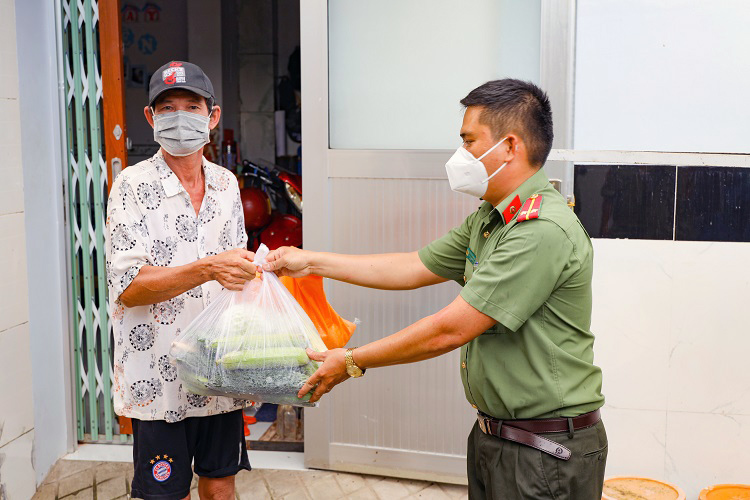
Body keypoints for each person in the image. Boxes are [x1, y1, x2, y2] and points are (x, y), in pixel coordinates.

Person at [264, 79, 608, 499]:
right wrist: (309, 261)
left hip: (544, 452)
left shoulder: (538, 231)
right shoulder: (491, 218)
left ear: (510, 146)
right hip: (497, 438)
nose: (460, 154)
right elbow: (413, 265)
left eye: (469, 140)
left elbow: (449, 329)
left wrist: (350, 361)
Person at [105, 61, 256, 500]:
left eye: (192, 106)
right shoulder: (131, 187)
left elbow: (236, 274)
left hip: (218, 372)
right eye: (167, 107)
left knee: (221, 483)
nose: (180, 116)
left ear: (213, 116)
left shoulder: (227, 186)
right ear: (151, 118)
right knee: (165, 494)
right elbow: (129, 286)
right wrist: (209, 267)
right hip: (159, 375)